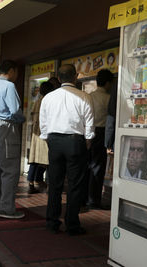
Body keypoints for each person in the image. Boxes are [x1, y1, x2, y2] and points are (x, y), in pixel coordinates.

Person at [39, 64, 94, 235]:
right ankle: (72, 225)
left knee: (54, 184)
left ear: (59, 77)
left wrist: (49, 140)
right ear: (76, 76)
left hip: (54, 141)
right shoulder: (84, 96)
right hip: (75, 142)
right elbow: (89, 124)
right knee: (75, 185)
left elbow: (43, 124)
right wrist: (87, 142)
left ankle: (52, 222)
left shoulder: (48, 98)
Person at [0, 60, 26, 219]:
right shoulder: (9, 86)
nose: (17, 75)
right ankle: (7, 209)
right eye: (16, 72)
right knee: (10, 170)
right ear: (11, 71)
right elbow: (15, 110)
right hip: (6, 127)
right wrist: (22, 119)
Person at [85, 69, 113, 209]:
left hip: (87, 132)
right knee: (97, 167)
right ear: (108, 83)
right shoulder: (108, 98)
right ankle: (94, 200)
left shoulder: (88, 96)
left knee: (87, 166)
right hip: (101, 133)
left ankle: (84, 197)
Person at [27, 81, 54, 194]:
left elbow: (33, 117)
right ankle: (39, 182)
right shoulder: (48, 101)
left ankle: (32, 182)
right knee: (46, 160)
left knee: (35, 159)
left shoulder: (37, 101)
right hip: (44, 134)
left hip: (35, 133)